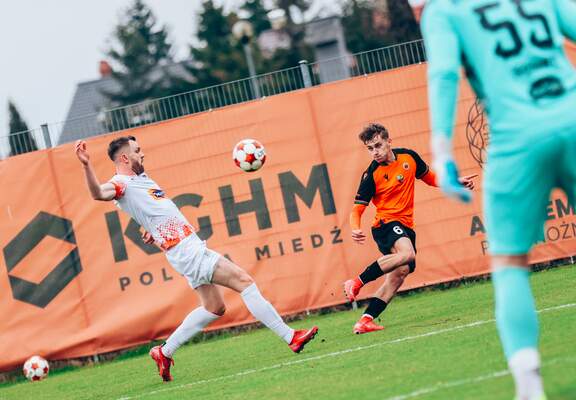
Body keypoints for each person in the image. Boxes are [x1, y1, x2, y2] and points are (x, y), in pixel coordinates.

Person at [416, 0, 576, 398]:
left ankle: (530, 387)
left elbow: (443, 74)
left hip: (516, 140)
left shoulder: (444, 10)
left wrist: (443, 152)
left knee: (509, 264)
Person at [74, 136, 318, 382]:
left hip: (183, 248)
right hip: (186, 250)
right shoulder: (120, 183)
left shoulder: (140, 179)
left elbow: (153, 211)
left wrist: (152, 230)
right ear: (125, 158)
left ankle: (164, 352)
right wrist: (86, 165)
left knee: (214, 307)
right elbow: (98, 193)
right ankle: (290, 337)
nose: (143, 154)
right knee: (244, 281)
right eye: (137, 151)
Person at [343, 123, 475, 334]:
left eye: (378, 145)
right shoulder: (371, 175)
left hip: (405, 225)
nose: (375, 152)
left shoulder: (408, 157)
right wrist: (355, 228)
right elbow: (356, 210)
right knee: (408, 254)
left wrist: (455, 182)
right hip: (385, 224)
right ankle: (357, 282)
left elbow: (430, 178)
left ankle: (365, 320)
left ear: (389, 141)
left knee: (400, 273)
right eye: (370, 148)